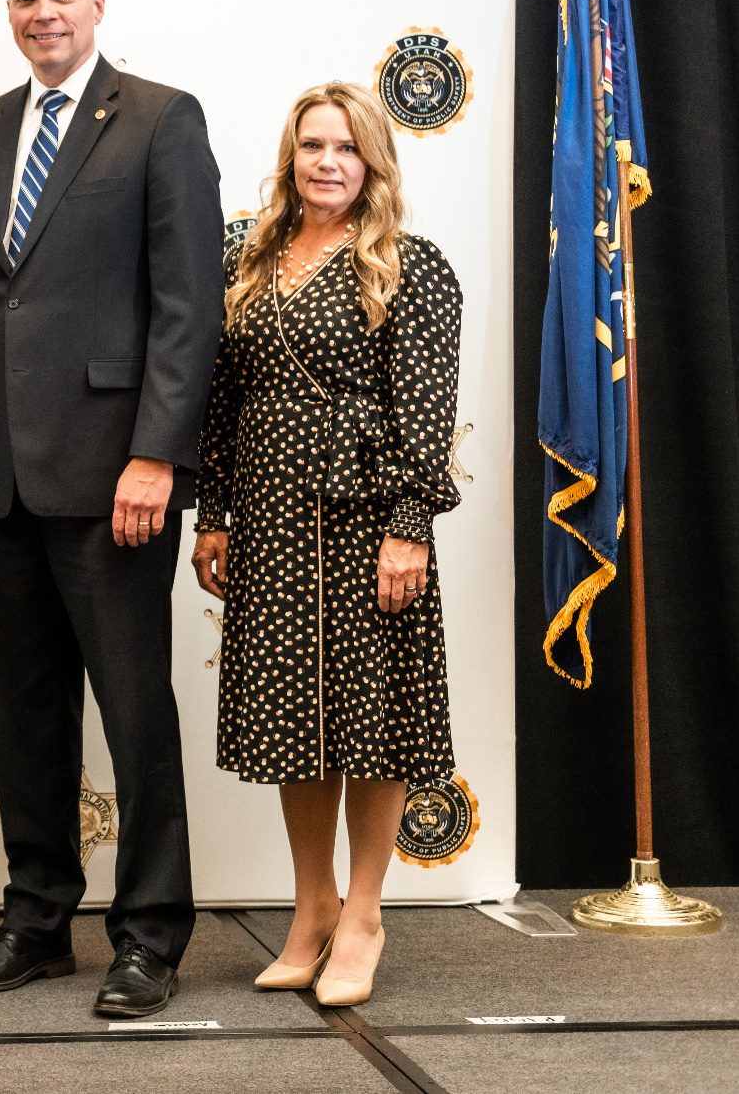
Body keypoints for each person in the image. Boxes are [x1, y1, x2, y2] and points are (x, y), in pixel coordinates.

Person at [0, 0, 223, 1018]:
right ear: (7, 12)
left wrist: (155, 454)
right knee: (26, 716)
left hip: (113, 481)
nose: (40, 12)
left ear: (97, 2)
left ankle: (148, 935)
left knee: (135, 714)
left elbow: (189, 305)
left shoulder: (158, 118)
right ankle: (36, 919)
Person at [191, 83, 461, 1007]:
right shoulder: (248, 256)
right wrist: (214, 511)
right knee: (290, 717)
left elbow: (425, 409)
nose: (327, 161)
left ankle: (365, 915)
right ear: (291, 155)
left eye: (346, 146)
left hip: (366, 516)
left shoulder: (408, 266)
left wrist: (409, 527)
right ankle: (311, 909)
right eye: (312, 144)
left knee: (371, 712)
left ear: (373, 159)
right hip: (267, 512)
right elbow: (220, 401)